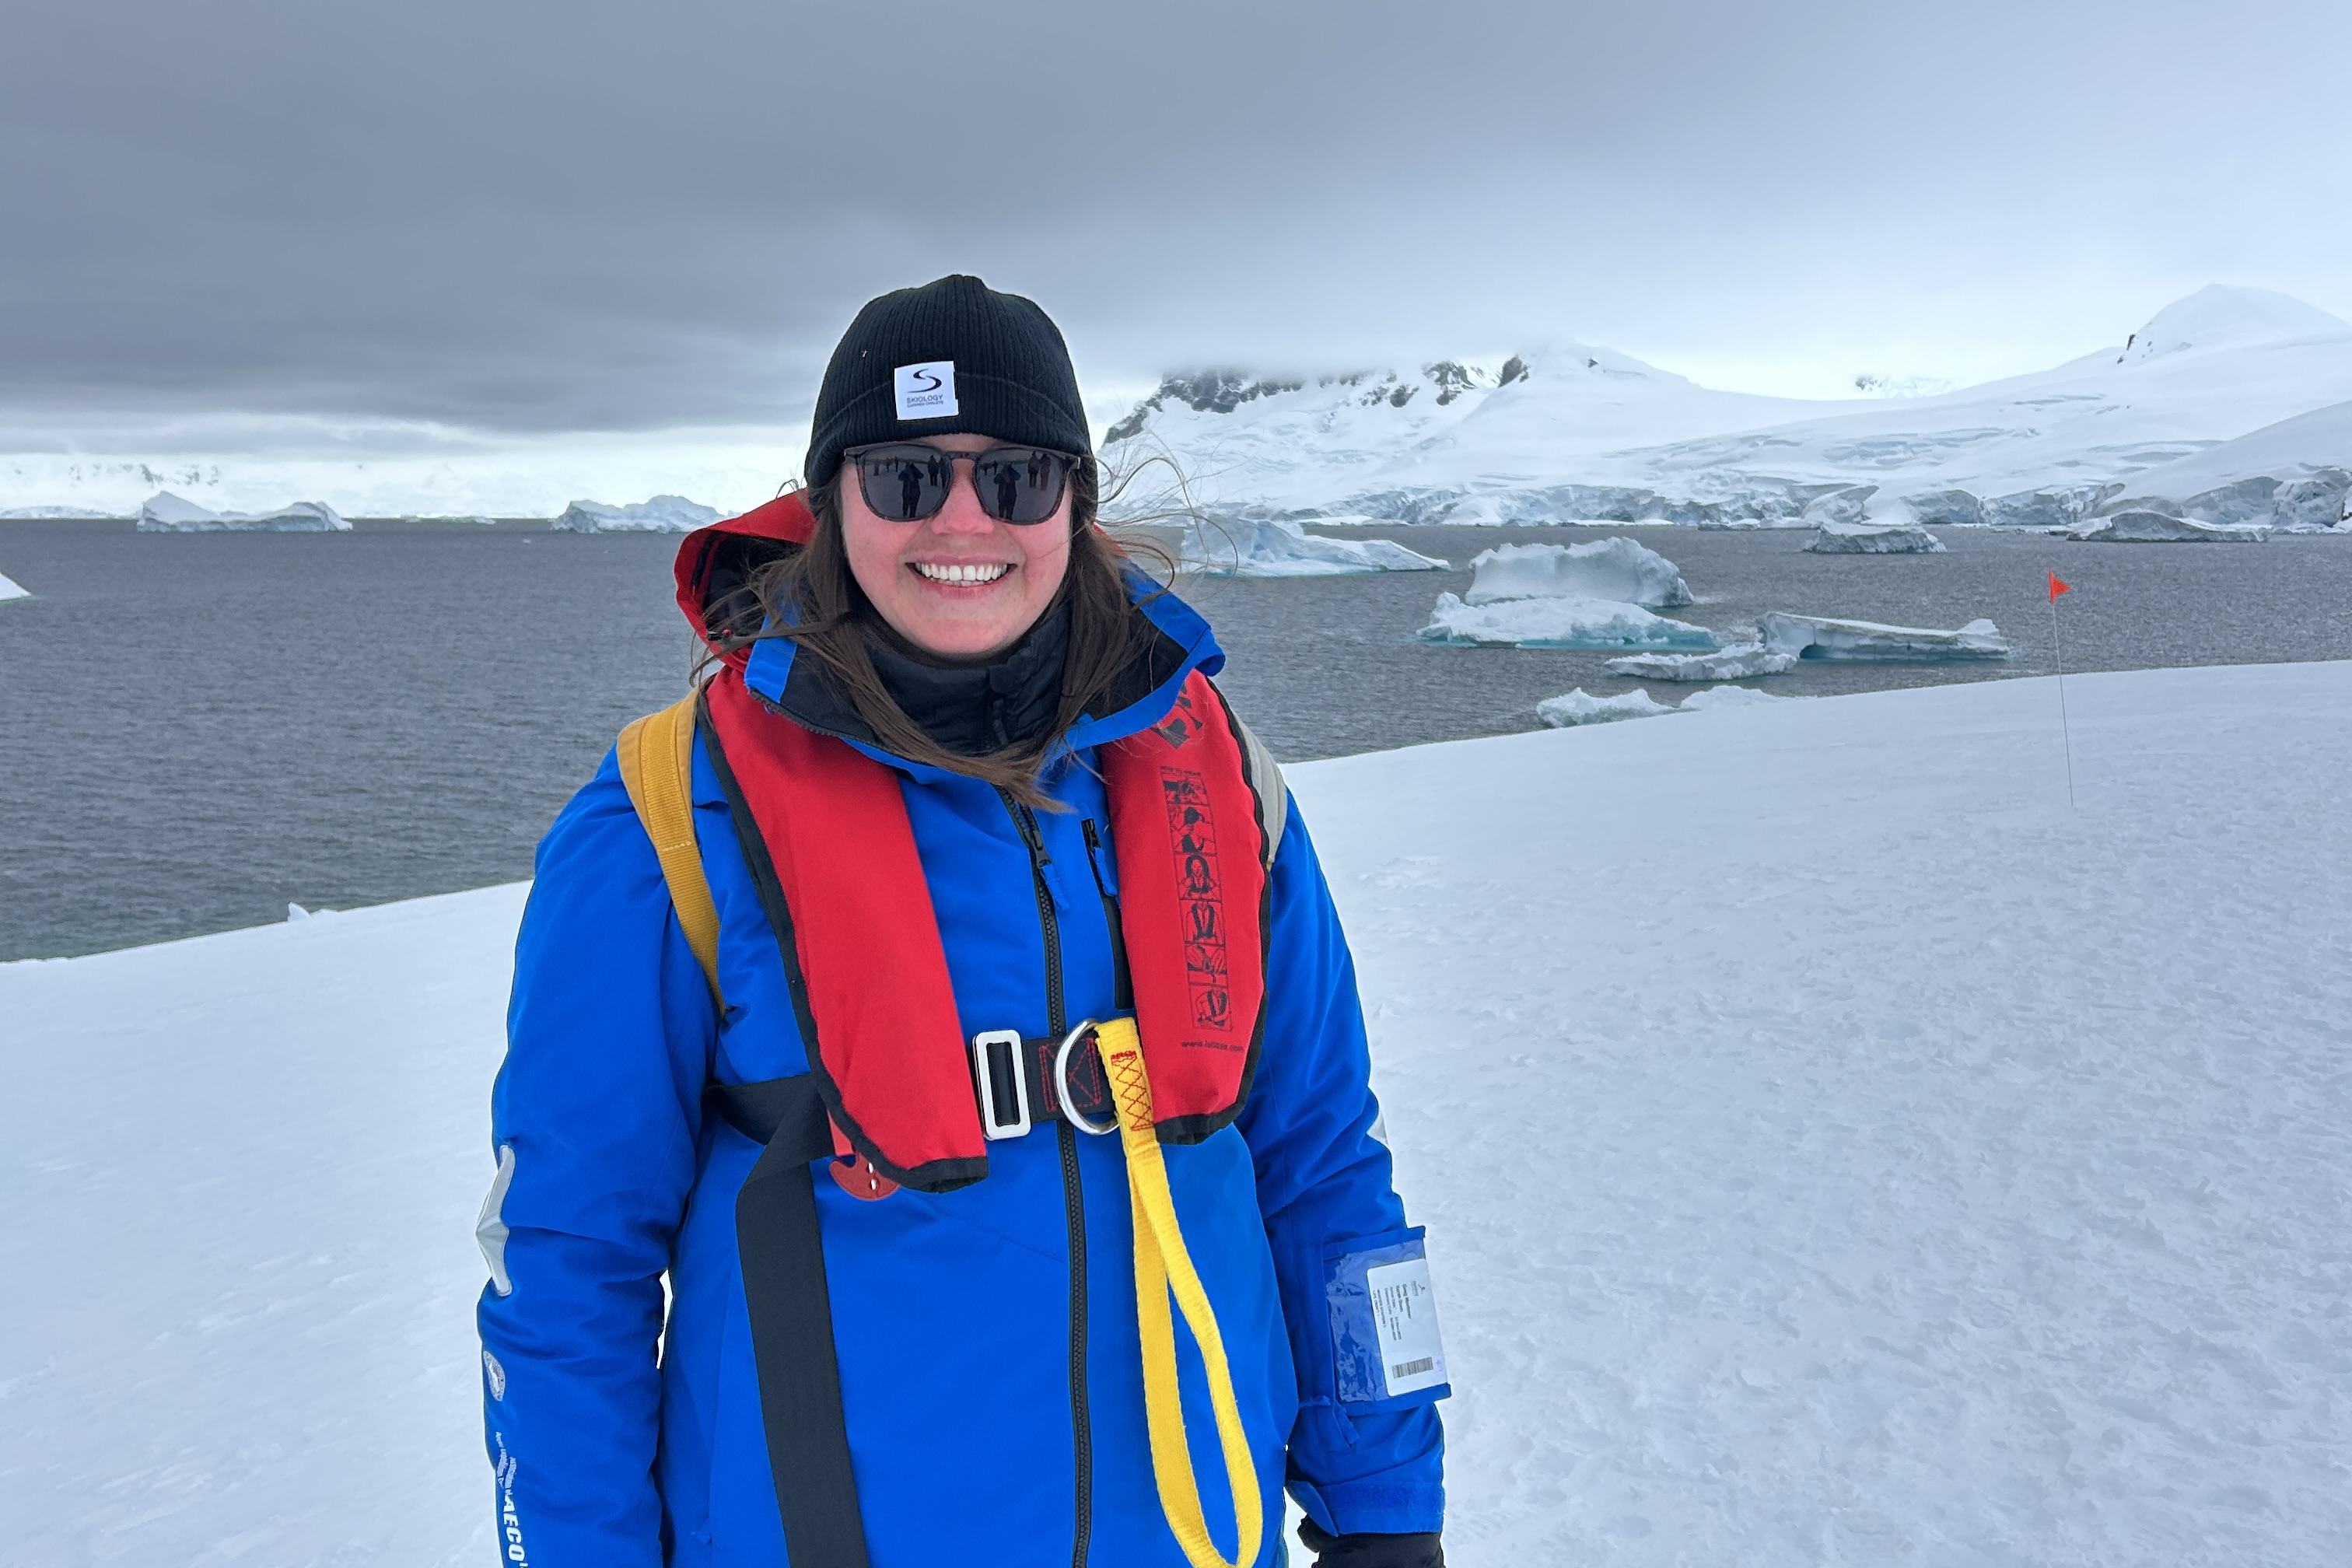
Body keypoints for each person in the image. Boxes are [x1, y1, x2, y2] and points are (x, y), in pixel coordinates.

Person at [476, 275, 1448, 1568]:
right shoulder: (668, 815)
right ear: (831, 504)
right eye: (904, 476)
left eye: (1018, 478)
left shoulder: (1220, 785)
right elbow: (566, 1265)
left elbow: (1328, 1167)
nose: (965, 520)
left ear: (1076, 505)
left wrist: (1388, 1511)